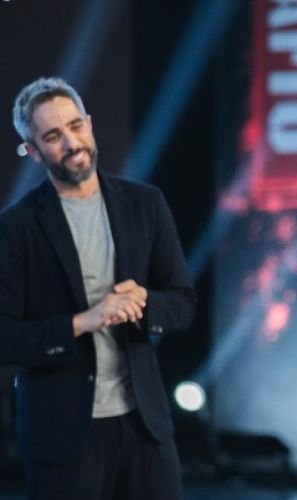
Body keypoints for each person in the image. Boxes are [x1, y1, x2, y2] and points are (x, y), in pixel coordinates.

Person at [0, 77, 196, 500]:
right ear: (33, 151)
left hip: (145, 427)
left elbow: (183, 302)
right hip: (63, 436)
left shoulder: (145, 203)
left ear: (89, 123)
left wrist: (146, 304)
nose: (71, 143)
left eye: (75, 126)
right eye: (53, 136)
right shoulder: (15, 227)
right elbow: (5, 337)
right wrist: (82, 322)